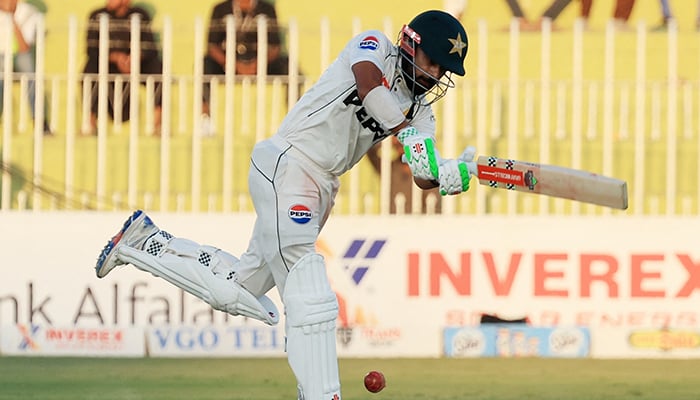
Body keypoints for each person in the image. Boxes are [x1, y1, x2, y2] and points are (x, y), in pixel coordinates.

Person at [94, 10, 473, 399]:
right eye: (435, 64)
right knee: (309, 290)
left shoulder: (420, 110)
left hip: (323, 187)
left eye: (445, 72)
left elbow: (421, 172)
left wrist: (445, 175)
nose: (436, 77)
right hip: (289, 163)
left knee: (239, 290)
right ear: (411, 43)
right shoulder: (374, 46)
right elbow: (367, 86)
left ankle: (143, 242)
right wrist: (408, 136)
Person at [201, 0, 288, 135]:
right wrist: (232, 65)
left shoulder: (267, 9)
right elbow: (211, 46)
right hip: (227, 62)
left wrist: (258, 65)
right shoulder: (220, 9)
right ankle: (205, 119)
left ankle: (295, 122)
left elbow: (276, 46)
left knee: (289, 67)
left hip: (261, 63)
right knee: (204, 65)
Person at [82, 0, 163, 135]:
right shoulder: (97, 15)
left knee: (157, 70)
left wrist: (134, 57)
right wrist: (116, 57)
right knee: (89, 70)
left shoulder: (140, 15)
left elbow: (150, 47)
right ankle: (90, 123)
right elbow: (91, 49)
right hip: (107, 63)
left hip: (136, 63)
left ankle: (158, 124)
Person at [0, 0, 52, 135]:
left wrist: (11, 17)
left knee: (31, 75)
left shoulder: (30, 13)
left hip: (20, 55)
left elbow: (24, 47)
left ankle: (40, 122)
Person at [366, 136, 442, 214]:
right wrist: (387, 142)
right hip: (392, 223)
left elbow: (433, 206)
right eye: (399, 144)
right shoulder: (390, 169)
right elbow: (370, 150)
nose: (402, 146)